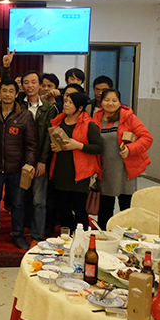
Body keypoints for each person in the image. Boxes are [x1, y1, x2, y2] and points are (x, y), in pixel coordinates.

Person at [0, 79, 37, 251]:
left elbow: (31, 144)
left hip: (18, 168)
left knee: (18, 203)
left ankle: (18, 234)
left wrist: (29, 164)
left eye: (10, 91)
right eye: (4, 91)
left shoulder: (25, 115)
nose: (7, 94)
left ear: (16, 94)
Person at [93, 89, 153, 229]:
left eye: (114, 100)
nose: (110, 103)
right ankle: (105, 236)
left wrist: (130, 149)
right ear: (101, 102)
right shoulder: (96, 118)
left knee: (126, 207)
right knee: (105, 208)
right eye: (107, 100)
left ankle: (127, 237)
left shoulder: (128, 117)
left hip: (126, 170)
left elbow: (147, 138)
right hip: (105, 170)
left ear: (120, 102)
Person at [49, 91, 102, 233]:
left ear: (80, 108)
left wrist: (79, 145)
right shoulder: (58, 121)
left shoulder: (89, 124)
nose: (66, 105)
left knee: (79, 208)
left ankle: (81, 237)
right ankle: (65, 237)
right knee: (62, 207)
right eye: (65, 101)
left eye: (70, 103)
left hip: (80, 173)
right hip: (60, 171)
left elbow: (99, 147)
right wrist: (55, 147)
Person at [19, 70, 58, 242]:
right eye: (26, 82)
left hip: (40, 160)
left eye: (33, 82)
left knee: (39, 200)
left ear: (40, 85)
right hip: (20, 160)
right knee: (20, 199)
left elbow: (49, 136)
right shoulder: (18, 104)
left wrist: (42, 161)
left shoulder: (49, 108)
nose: (30, 85)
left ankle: (37, 236)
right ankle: (19, 232)